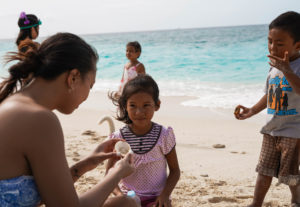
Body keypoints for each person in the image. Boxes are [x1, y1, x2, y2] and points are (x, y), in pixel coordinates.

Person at [0, 32, 139, 207]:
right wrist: (116, 174)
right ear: (73, 78)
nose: (88, 94)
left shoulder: (14, 104)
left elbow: (46, 194)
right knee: (126, 204)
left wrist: (85, 164)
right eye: (90, 85)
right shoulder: (39, 119)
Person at [234, 11, 300, 207]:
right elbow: (270, 94)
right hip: (271, 128)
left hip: (293, 130)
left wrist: (287, 70)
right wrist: (252, 110)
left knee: (289, 173)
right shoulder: (274, 66)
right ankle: (256, 203)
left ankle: (296, 199)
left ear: (298, 45)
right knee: (264, 169)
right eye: (270, 41)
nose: (273, 47)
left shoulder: (294, 66)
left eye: (280, 44)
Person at [107, 74, 181, 207]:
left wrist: (164, 195)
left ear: (157, 105)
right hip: (129, 197)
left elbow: (175, 171)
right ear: (125, 106)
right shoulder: (118, 138)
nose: (139, 112)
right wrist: (120, 196)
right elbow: (108, 173)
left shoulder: (163, 135)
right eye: (133, 105)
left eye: (146, 105)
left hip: (156, 198)